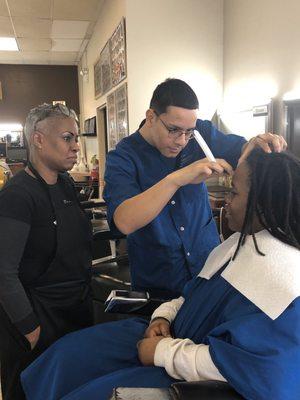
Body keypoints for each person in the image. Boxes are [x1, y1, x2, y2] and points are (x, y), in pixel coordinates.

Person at [21, 148, 300, 400]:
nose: (226, 200)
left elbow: (256, 370)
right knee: (67, 356)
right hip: (167, 336)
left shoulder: (285, 281)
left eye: (235, 193)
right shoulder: (238, 243)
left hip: (189, 373)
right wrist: (163, 316)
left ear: (264, 204)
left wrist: (162, 352)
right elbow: (193, 294)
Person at [103, 78, 286, 299]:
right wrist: (177, 179)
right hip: (160, 279)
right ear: (151, 117)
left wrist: (254, 144)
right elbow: (124, 221)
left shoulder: (200, 135)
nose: (182, 140)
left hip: (207, 266)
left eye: (188, 131)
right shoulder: (123, 157)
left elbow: (242, 151)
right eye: (174, 130)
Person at [0, 104, 94, 400]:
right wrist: (29, 328)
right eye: (68, 138)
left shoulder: (65, 184)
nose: (76, 146)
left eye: (77, 138)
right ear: (38, 140)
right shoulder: (17, 196)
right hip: (38, 319)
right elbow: (3, 272)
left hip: (73, 312)